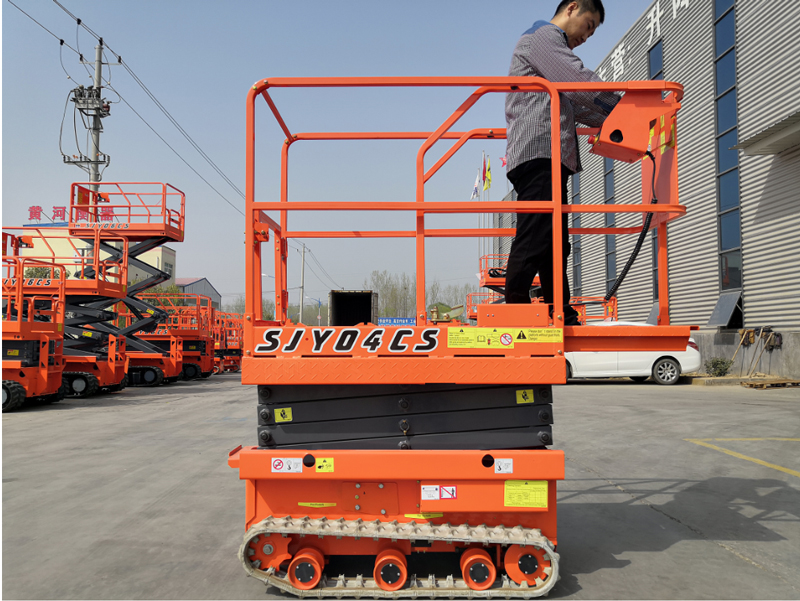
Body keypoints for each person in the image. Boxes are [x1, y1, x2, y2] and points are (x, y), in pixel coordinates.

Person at [504, 0, 620, 325]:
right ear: (572, 8)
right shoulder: (544, 37)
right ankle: (514, 309)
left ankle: (560, 309)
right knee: (536, 233)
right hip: (540, 152)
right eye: (588, 25)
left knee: (554, 241)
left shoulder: (548, 56)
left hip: (549, 155)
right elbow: (579, 82)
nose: (587, 36)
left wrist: (617, 119)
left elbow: (577, 105)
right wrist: (626, 105)